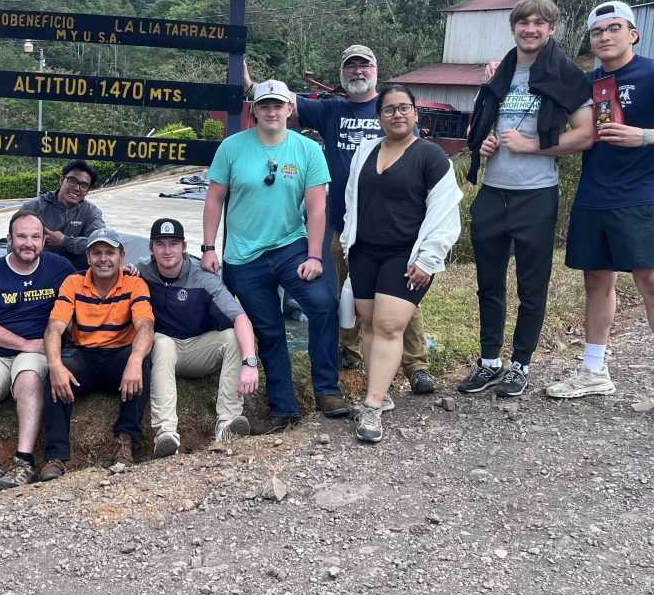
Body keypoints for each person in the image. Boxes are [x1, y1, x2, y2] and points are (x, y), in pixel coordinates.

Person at [546, 1, 654, 430]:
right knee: (596, 279)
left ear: (632, 34)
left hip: (643, 195)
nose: (605, 36)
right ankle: (594, 371)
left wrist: (645, 136)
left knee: (653, 281)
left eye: (614, 28)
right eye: (597, 31)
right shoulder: (589, 84)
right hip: (594, 193)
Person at [246, 48, 437, 393]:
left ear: (376, 70)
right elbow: (280, 98)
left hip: (395, 226)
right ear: (342, 73)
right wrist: (250, 84)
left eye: (364, 64)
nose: (357, 71)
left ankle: (416, 365)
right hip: (343, 223)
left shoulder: (390, 110)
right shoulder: (332, 110)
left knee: (400, 294)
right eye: (350, 66)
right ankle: (348, 351)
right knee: (344, 291)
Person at [458, 0, 593, 399]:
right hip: (493, 192)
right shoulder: (501, 74)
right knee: (488, 283)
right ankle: (489, 362)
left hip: (536, 195)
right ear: (513, 27)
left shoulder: (567, 75)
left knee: (532, 286)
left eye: (539, 23)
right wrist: (483, 143)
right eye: (523, 22)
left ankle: (520, 364)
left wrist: (533, 146)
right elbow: (483, 123)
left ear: (552, 29)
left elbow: (585, 135)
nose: (530, 29)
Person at [201, 79, 343, 432]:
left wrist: (315, 256)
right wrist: (208, 248)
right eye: (264, 105)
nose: (271, 111)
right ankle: (284, 409)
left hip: (290, 246)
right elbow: (214, 198)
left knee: (323, 303)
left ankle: (327, 390)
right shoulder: (231, 148)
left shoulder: (308, 150)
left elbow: (316, 208)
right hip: (243, 256)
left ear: (290, 110)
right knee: (270, 329)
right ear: (254, 110)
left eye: (278, 105)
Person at [341, 86, 462, 442]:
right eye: (389, 109)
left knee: (390, 327)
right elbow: (352, 199)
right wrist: (349, 243)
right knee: (368, 324)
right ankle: (382, 391)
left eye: (404, 108)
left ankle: (373, 406)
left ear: (415, 114)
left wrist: (429, 259)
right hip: (365, 250)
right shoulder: (365, 151)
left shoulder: (431, 156)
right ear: (378, 117)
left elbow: (445, 212)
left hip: (406, 255)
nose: (397, 114)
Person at [0, 210, 74, 492]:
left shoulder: (59, 268)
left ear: (44, 241)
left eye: (35, 237)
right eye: (22, 236)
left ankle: (23, 460)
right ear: (9, 239)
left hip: (37, 351)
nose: (28, 243)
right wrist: (24, 344)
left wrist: (129, 269)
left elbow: (91, 282)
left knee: (29, 378)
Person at [38, 228, 155, 481]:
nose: (104, 258)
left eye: (110, 252)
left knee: (142, 362)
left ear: (121, 256)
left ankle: (124, 441)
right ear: (88, 257)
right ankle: (55, 456)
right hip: (85, 357)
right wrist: (55, 364)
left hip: (119, 358)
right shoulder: (73, 282)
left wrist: (135, 361)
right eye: (97, 252)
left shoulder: (135, 283)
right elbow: (54, 327)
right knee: (55, 373)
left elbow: (145, 326)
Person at [135, 217, 260, 455]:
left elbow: (240, 318)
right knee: (160, 342)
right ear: (151, 248)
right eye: (160, 244)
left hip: (198, 348)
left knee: (233, 337)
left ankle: (228, 422)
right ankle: (166, 433)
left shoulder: (203, 277)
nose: (167, 250)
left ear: (184, 247)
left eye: (173, 243)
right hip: (164, 350)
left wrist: (250, 362)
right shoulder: (140, 272)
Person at [22, 160, 106, 270]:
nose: (77, 188)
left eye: (84, 185)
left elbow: (99, 242)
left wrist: (63, 241)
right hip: (38, 269)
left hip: (75, 272)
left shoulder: (91, 212)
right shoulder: (33, 207)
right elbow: (16, 241)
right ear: (62, 180)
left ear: (88, 190)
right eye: (72, 181)